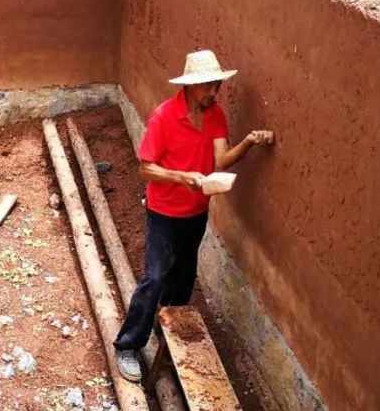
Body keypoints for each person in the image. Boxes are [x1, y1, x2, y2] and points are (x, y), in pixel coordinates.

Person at [113, 50, 274, 382]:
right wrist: (181, 176)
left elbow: (222, 160)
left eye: (216, 85)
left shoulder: (214, 114)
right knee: (155, 277)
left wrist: (248, 142)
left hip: (196, 213)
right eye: (207, 86)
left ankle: (166, 331)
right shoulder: (164, 117)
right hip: (164, 213)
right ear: (189, 86)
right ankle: (127, 345)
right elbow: (145, 168)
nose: (213, 92)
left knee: (183, 280)